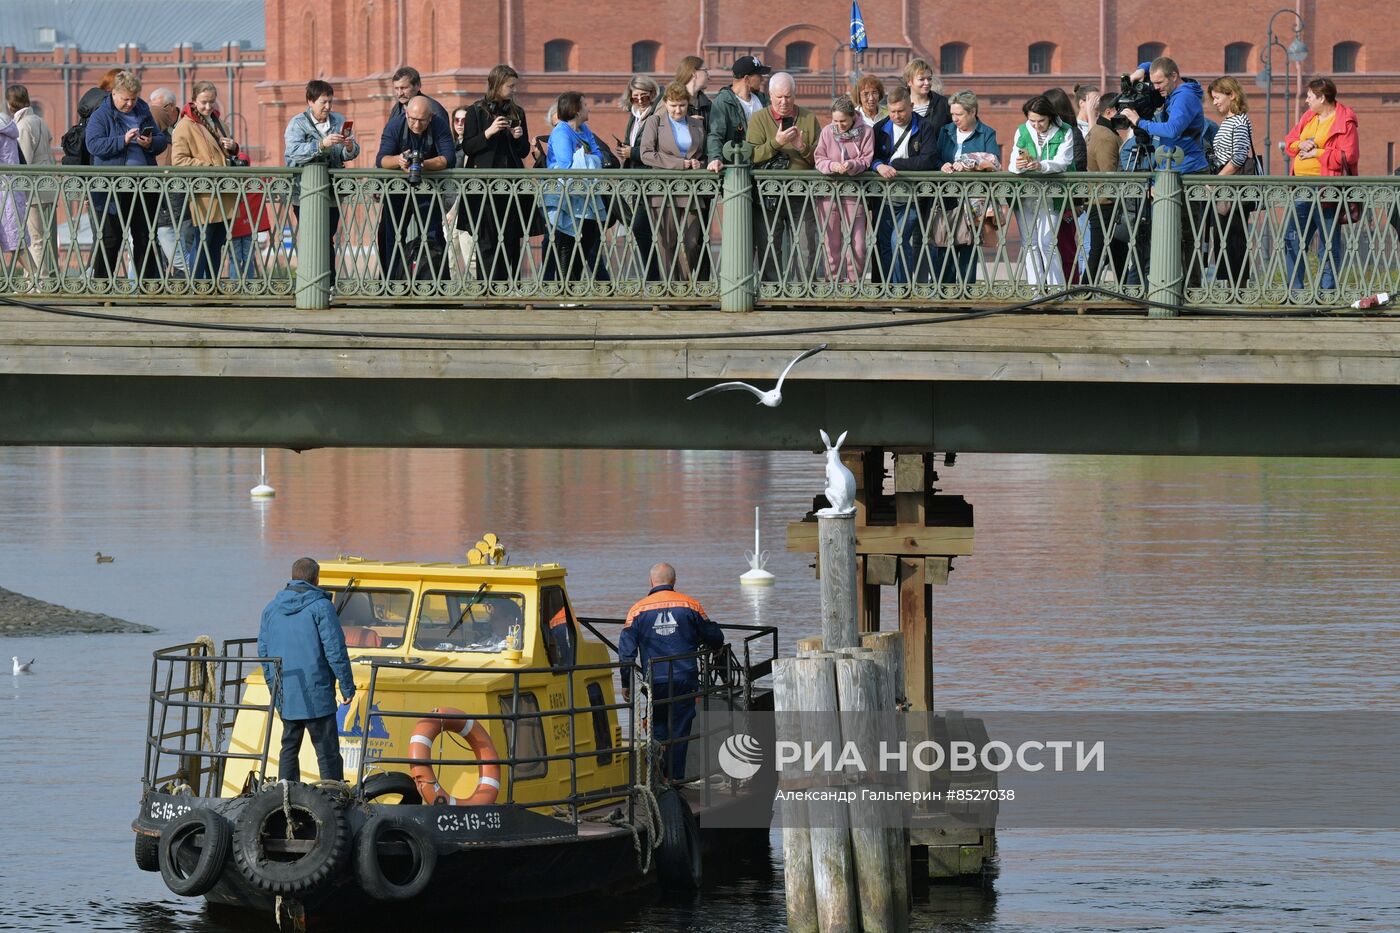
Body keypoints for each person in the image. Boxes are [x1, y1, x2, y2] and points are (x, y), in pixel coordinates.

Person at [619, 562, 724, 781]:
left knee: (657, 728)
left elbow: (626, 652)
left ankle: (656, 778)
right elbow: (714, 636)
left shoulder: (637, 609)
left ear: (651, 582)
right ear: (674, 581)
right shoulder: (690, 605)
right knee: (680, 730)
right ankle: (674, 781)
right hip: (685, 679)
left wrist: (626, 683)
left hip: (654, 680)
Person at [258, 557, 355, 783]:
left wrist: (275, 688)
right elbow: (335, 650)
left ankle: (286, 794)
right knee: (327, 750)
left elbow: (264, 654)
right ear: (316, 578)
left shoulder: (270, 609)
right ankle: (334, 797)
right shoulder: (321, 607)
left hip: (287, 692)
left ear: (292, 577)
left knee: (289, 747)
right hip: (317, 693)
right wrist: (347, 686)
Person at [84, 71, 168, 280]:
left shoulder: (143, 109)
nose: (130, 103)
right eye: (125, 99)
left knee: (145, 237)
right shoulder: (101, 114)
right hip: (113, 187)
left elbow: (160, 139)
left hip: (143, 184)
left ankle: (147, 288)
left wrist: (150, 143)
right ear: (114, 93)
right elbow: (93, 144)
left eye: (133, 98)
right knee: (111, 238)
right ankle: (103, 288)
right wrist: (122, 140)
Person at [1282, 77, 1358, 294]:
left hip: (1326, 190)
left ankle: (1327, 293)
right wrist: (1301, 144)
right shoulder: (1309, 117)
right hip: (1302, 188)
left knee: (1328, 243)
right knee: (1293, 239)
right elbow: (1289, 142)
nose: (1306, 100)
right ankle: (1295, 292)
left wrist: (1317, 152)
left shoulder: (1344, 120)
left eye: (1309, 97)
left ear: (1322, 97)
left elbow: (1349, 155)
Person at [283, 80, 359, 292]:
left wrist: (349, 146)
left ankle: (327, 284)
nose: (328, 107)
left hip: (332, 191)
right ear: (310, 101)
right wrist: (321, 144)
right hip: (304, 192)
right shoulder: (298, 123)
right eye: (323, 102)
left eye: (330, 102)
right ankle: (314, 284)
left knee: (327, 237)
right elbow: (292, 152)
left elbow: (348, 154)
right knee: (313, 236)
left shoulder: (338, 120)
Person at [457, 64, 530, 284]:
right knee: (487, 239)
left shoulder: (517, 112)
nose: (513, 90)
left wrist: (518, 137)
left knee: (511, 238)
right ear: (497, 85)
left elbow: (524, 151)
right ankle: (489, 287)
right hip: (484, 185)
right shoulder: (476, 111)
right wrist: (489, 132)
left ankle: (512, 285)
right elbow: (469, 147)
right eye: (510, 86)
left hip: (511, 185)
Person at [747, 72, 820, 283]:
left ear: (795, 95)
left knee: (807, 246)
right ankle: (772, 292)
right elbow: (751, 156)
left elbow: (820, 158)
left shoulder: (808, 118)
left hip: (802, 193)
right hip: (769, 194)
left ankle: (805, 293)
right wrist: (776, 143)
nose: (783, 102)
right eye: (778, 97)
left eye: (788, 96)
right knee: (769, 244)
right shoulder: (759, 119)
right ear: (769, 95)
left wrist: (802, 147)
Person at [375, 94, 453, 282]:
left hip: (427, 188)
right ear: (406, 113)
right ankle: (390, 284)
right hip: (397, 189)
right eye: (412, 119)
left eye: (422, 121)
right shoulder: (395, 125)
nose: (416, 125)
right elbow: (381, 159)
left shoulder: (439, 125)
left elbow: (448, 158)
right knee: (390, 235)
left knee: (433, 235)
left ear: (431, 117)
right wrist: (398, 160)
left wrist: (424, 163)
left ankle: (437, 284)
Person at [171, 81, 241, 279]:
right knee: (202, 240)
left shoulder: (219, 122)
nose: (208, 107)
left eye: (212, 102)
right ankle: (196, 285)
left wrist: (233, 147)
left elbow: (226, 154)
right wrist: (210, 168)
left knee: (216, 243)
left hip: (223, 192)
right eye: (203, 102)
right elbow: (178, 161)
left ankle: (211, 285)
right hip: (204, 193)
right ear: (194, 101)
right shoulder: (185, 125)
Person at [639, 83, 708, 282]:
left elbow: (704, 154)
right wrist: (681, 164)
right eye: (673, 105)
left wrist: (699, 164)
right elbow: (646, 154)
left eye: (682, 106)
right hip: (664, 190)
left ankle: (684, 289)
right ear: (666, 104)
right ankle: (671, 289)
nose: (678, 110)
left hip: (691, 191)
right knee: (667, 244)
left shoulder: (696, 124)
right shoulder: (655, 121)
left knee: (692, 242)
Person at [871, 86, 938, 284]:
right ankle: (886, 288)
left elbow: (927, 161)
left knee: (898, 241)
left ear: (911, 106)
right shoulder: (880, 127)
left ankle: (902, 290)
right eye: (892, 112)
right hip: (885, 195)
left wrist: (896, 164)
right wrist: (878, 166)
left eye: (901, 111)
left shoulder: (925, 127)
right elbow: (871, 156)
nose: (896, 116)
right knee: (884, 243)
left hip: (913, 195)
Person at [934, 89, 1000, 284]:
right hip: (947, 197)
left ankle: (966, 294)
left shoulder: (986, 133)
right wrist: (941, 164)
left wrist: (970, 163)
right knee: (944, 245)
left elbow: (994, 161)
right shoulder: (945, 131)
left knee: (968, 247)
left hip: (974, 199)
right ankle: (944, 293)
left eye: (959, 114)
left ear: (972, 112)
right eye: (952, 114)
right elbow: (936, 156)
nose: (954, 118)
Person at [1009, 94, 1075, 287]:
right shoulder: (1022, 130)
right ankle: (1035, 290)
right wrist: (1020, 165)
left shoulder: (1065, 131)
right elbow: (1013, 163)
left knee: (1048, 243)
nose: (1036, 125)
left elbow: (1063, 162)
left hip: (1052, 194)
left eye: (1041, 121)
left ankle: (1056, 290)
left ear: (1050, 117)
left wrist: (1041, 166)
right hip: (1026, 194)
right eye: (1032, 121)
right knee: (1030, 244)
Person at [545, 91, 610, 283]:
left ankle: (573, 286)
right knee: (567, 242)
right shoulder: (561, 131)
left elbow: (599, 156)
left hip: (586, 194)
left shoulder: (584, 129)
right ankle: (567, 289)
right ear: (576, 109)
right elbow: (566, 166)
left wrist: (583, 158)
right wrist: (587, 160)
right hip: (565, 196)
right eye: (585, 104)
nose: (588, 108)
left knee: (588, 236)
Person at [814, 95, 873, 283]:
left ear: (852, 117)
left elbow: (866, 159)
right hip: (829, 193)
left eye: (843, 121)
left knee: (858, 245)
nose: (839, 125)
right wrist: (832, 166)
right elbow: (819, 158)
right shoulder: (827, 132)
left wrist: (851, 165)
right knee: (832, 243)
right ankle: (833, 285)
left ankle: (854, 286)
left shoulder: (866, 132)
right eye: (835, 121)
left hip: (854, 193)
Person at [1207, 76, 1257, 287]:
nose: (1215, 102)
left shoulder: (1239, 120)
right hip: (1227, 186)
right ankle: (1231, 285)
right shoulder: (1228, 121)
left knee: (1233, 236)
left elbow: (1238, 158)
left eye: (1218, 98)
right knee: (1223, 237)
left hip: (1232, 187)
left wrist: (1217, 180)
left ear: (1232, 95)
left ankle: (1238, 287)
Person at [9, 86, 58, 284]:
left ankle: (39, 281)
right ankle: (40, 277)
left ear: (10, 103)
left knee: (34, 238)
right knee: (43, 236)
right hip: (47, 185)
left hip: (33, 189)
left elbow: (24, 160)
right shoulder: (39, 120)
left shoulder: (22, 126)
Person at [617, 75, 660, 280]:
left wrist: (631, 153)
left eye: (645, 96)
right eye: (636, 97)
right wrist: (625, 151)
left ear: (652, 94)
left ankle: (654, 280)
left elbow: (654, 149)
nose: (641, 101)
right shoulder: (633, 117)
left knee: (643, 229)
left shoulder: (657, 115)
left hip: (652, 181)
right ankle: (652, 278)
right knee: (643, 231)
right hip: (636, 183)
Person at [1085, 93, 1129, 283]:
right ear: (1110, 112)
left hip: (1101, 202)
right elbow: (1109, 174)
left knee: (1117, 252)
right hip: (1106, 205)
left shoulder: (1099, 131)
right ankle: (1083, 292)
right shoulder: (1106, 137)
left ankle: (1125, 291)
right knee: (1099, 252)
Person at [705, 55, 770, 173]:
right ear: (746, 79)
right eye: (759, 75)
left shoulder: (763, 99)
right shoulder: (724, 101)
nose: (762, 79)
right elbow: (715, 135)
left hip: (762, 169)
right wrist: (715, 159)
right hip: (736, 171)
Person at [147, 87, 187, 274]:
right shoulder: (153, 135)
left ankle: (185, 277)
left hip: (181, 191)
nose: (154, 115)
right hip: (160, 191)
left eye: (160, 109)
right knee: (163, 234)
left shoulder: (185, 124)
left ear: (171, 107)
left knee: (173, 235)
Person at [0, 105, 26, 279]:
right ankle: (38, 279)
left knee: (16, 241)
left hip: (3, 189)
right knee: (17, 242)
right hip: (11, 188)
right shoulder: (7, 126)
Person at [902, 58, 951, 133]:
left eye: (929, 78)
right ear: (909, 82)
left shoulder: (943, 103)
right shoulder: (901, 104)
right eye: (921, 79)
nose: (927, 83)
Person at [673, 55, 711, 128]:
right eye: (705, 71)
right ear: (694, 73)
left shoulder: (707, 104)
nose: (709, 77)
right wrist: (685, 122)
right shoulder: (671, 98)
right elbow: (659, 127)